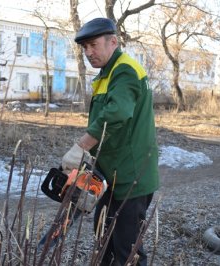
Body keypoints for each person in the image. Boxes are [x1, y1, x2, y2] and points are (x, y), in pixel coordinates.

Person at [61, 17, 159, 266]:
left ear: (113, 41)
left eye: (93, 45)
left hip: (130, 178)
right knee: (104, 243)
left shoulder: (125, 70)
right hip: (110, 175)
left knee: (127, 251)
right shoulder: (107, 73)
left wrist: (81, 146)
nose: (88, 52)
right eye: (84, 48)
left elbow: (116, 115)